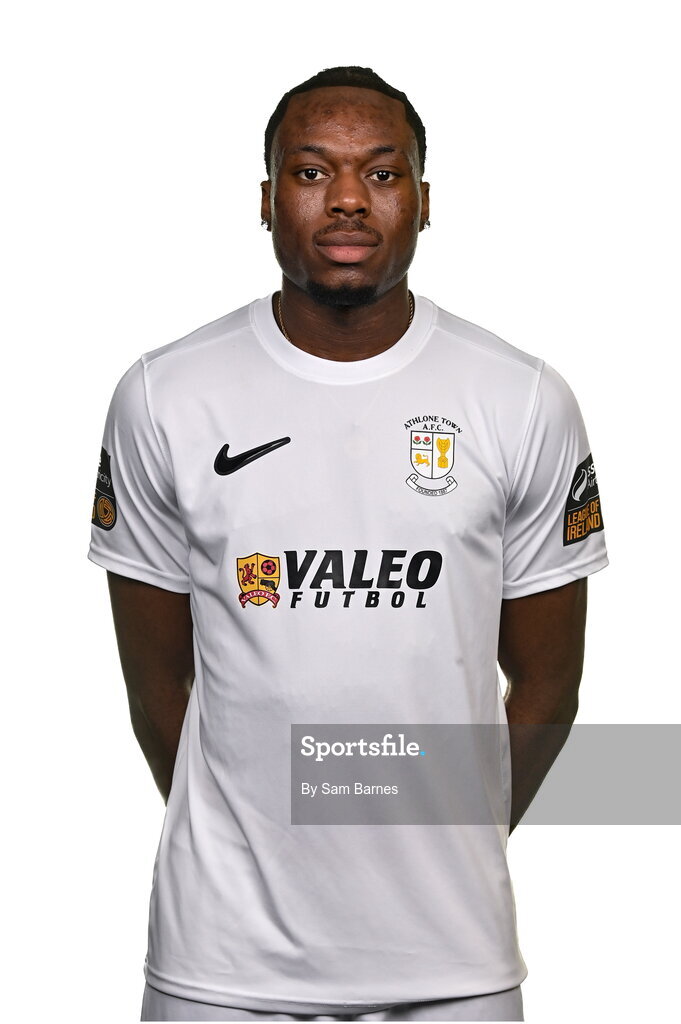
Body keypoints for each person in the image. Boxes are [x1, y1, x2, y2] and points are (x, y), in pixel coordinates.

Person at [88, 66, 609, 1022]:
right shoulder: (165, 394)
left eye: (381, 172)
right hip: (220, 964)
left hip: (451, 963)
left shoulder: (521, 398)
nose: (346, 201)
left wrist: (450, 838)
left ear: (423, 200)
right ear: (265, 199)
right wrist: (252, 836)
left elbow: (547, 685)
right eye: (310, 171)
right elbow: (156, 687)